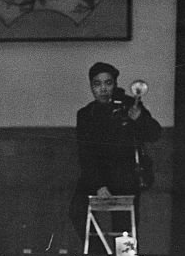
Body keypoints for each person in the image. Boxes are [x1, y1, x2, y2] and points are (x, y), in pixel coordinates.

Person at [69, 62, 162, 237]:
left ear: (115, 84)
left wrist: (140, 118)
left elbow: (155, 135)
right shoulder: (86, 114)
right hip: (96, 175)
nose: (103, 89)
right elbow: (85, 153)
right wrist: (98, 185)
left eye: (108, 83)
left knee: (124, 228)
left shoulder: (129, 105)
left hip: (125, 176)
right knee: (78, 211)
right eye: (97, 84)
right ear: (91, 87)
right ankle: (99, 254)